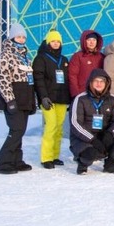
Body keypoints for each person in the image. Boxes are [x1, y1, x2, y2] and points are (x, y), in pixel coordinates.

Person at [0, 23, 35, 174]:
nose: (21, 39)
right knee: (16, 130)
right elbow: (1, 78)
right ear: (12, 37)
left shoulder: (24, 55)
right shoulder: (5, 55)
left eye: (23, 37)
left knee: (21, 130)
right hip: (13, 99)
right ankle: (3, 163)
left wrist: (32, 101)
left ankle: (16, 160)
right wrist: (9, 100)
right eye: (18, 36)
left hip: (25, 98)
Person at [69, 69, 114, 175]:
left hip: (104, 135)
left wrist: (110, 133)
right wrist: (92, 139)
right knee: (90, 154)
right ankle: (82, 164)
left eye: (102, 81)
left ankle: (110, 165)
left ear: (106, 83)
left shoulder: (113, 99)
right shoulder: (80, 99)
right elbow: (75, 123)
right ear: (90, 82)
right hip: (84, 137)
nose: (99, 84)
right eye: (96, 81)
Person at [32, 29, 71, 169]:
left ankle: (55, 156)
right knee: (51, 126)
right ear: (48, 42)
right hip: (48, 99)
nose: (55, 43)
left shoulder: (64, 59)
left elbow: (67, 80)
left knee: (59, 128)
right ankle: (46, 157)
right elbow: (38, 79)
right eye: (53, 41)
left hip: (61, 98)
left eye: (58, 41)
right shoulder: (41, 58)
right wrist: (43, 97)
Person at [68, 30, 104, 99]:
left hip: (98, 94)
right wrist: (76, 94)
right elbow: (72, 76)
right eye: (89, 40)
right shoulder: (78, 56)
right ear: (84, 41)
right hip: (82, 94)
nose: (92, 42)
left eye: (94, 40)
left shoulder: (101, 57)